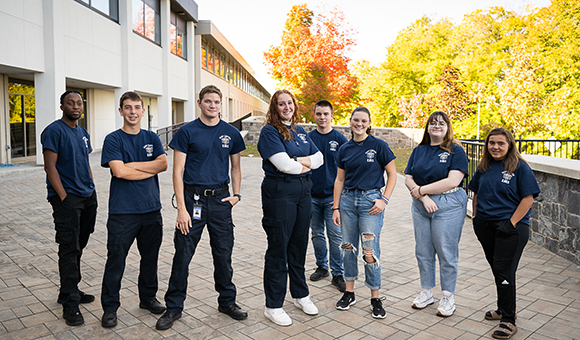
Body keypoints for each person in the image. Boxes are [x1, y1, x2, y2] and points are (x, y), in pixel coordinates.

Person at [156, 85, 247, 330]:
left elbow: (236, 167)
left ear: (220, 104)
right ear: (199, 103)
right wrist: (181, 209)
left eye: (216, 102)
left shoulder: (231, 133)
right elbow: (178, 171)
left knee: (223, 255)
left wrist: (236, 195)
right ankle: (174, 307)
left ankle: (227, 302)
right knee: (183, 255)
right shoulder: (187, 132)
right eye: (208, 101)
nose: (212, 106)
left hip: (220, 202)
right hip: (193, 201)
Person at [100, 91, 168, 328]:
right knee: (116, 260)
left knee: (150, 259)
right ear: (121, 111)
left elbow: (163, 164)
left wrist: (134, 166)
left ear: (143, 111)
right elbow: (119, 172)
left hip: (151, 210)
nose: (132, 112)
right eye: (127, 107)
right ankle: (110, 308)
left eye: (137, 107)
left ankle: (148, 298)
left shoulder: (152, 137)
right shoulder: (113, 139)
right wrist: (148, 169)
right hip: (123, 213)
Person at [258, 90, 323, 326]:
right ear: (274, 107)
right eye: (281, 104)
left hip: (303, 192)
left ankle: (300, 295)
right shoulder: (269, 132)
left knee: (298, 245)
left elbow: (320, 158)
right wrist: (301, 164)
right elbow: (284, 166)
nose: (286, 107)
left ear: (294, 105)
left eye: (289, 103)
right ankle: (273, 305)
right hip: (280, 194)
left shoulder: (300, 131)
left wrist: (298, 163)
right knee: (278, 248)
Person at [468, 127, 540, 339]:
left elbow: (528, 198)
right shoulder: (484, 166)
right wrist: (475, 217)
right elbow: (476, 193)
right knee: (498, 270)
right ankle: (503, 309)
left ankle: (509, 319)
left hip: (511, 229)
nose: (495, 147)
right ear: (486, 145)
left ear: (510, 145)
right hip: (486, 226)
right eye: (492, 143)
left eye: (501, 143)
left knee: (504, 270)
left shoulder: (520, 167)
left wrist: (511, 223)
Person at [332, 107, 397, 319]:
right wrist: (336, 207)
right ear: (350, 122)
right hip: (348, 202)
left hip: (371, 202)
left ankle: (375, 297)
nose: (359, 124)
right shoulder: (345, 148)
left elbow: (393, 174)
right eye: (355, 120)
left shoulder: (379, 146)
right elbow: (340, 180)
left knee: (370, 250)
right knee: (348, 248)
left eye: (363, 121)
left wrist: (384, 199)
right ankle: (349, 293)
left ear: (369, 123)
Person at [41, 90, 98, 326]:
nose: (76, 106)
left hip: (87, 196)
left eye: (79, 103)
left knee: (79, 245)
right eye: (70, 103)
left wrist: (92, 188)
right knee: (69, 248)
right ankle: (70, 304)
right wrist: (64, 197)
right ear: (62, 106)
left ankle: (68, 290)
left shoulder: (83, 133)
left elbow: (85, 162)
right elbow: (50, 167)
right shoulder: (54, 131)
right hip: (68, 200)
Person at [404, 111, 468, 317]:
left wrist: (422, 191)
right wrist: (423, 197)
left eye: (441, 123)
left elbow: (453, 181)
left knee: (446, 251)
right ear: (427, 127)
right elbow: (408, 177)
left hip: (448, 203)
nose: (437, 126)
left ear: (448, 127)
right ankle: (426, 291)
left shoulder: (455, 150)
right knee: (423, 250)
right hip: (422, 204)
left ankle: (448, 296)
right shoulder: (419, 150)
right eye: (433, 123)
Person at [307, 100, 348, 292]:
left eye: (326, 114)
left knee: (335, 236)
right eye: (319, 114)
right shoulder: (307, 138)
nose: (322, 117)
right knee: (316, 234)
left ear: (332, 115)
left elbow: (348, 170)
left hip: (333, 199)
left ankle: (337, 273)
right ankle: (322, 267)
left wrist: (340, 197)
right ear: (313, 115)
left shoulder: (340, 139)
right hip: (312, 197)